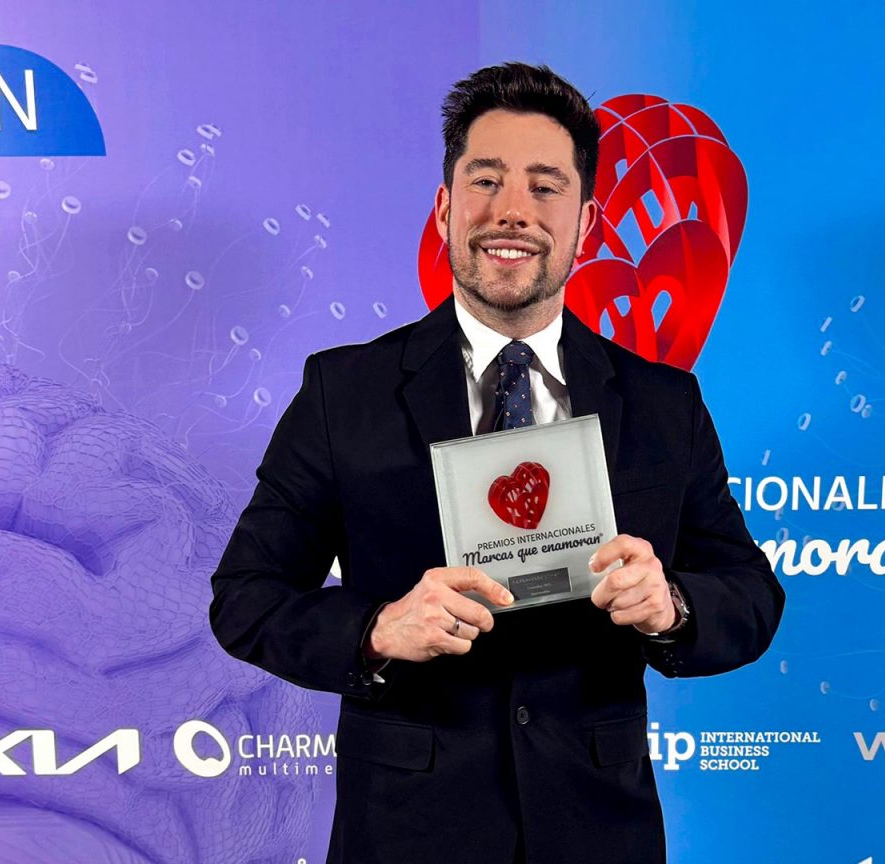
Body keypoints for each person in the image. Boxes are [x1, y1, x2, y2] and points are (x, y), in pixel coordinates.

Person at [209, 61, 784, 864]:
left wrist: (674, 604)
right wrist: (377, 630)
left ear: (586, 221)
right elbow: (246, 597)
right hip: (407, 837)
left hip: (598, 833)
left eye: (545, 187)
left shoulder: (663, 402)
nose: (511, 210)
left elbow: (752, 594)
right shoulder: (345, 393)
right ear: (445, 208)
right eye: (485, 181)